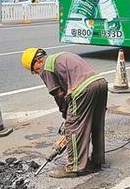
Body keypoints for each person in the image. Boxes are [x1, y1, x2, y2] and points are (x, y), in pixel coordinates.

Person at [22, 48, 107, 178]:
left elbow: (59, 94)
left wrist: (67, 116)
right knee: (96, 124)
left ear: (38, 61)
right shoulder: (60, 56)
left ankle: (74, 167)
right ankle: (97, 161)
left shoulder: (45, 67)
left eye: (34, 70)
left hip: (84, 89)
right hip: (100, 83)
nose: (36, 73)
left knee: (73, 128)